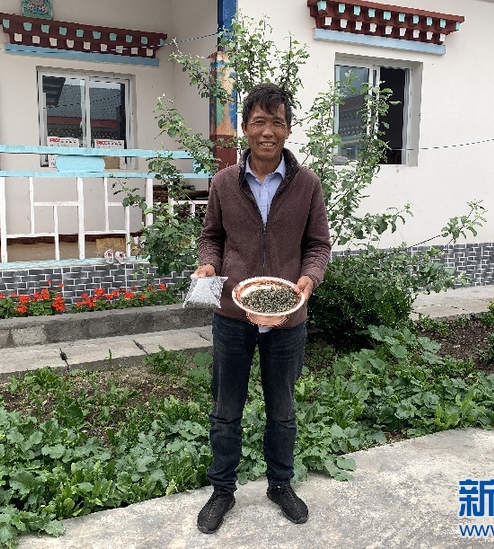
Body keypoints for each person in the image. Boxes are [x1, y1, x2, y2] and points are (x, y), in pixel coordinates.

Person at [194, 83, 331, 534]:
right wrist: (209, 264)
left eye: (277, 122)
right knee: (225, 408)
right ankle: (222, 490)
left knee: (283, 409)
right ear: (245, 128)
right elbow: (212, 237)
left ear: (288, 129)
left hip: (288, 315)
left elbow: (318, 245)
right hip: (233, 315)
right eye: (258, 122)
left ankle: (280, 485)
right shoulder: (223, 183)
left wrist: (310, 277)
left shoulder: (307, 184)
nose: (267, 131)